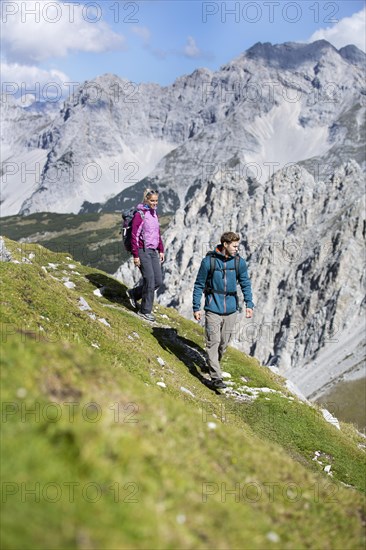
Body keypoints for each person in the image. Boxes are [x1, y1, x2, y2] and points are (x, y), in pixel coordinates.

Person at [192, 231, 254, 389]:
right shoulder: (209, 262)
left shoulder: (239, 263)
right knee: (213, 342)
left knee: (223, 344)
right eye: (234, 246)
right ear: (225, 244)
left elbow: (245, 283)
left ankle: (213, 364)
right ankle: (216, 378)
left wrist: (249, 304)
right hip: (212, 308)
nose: (236, 249)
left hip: (232, 310)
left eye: (237, 246)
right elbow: (199, 285)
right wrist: (196, 307)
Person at [126, 189, 164, 322]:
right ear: (146, 200)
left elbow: (157, 233)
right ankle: (144, 311)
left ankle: (134, 293)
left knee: (158, 280)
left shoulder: (154, 214)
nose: (154, 203)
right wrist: (135, 255)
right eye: (152, 200)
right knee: (149, 279)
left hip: (153, 251)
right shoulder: (140, 214)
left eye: (156, 200)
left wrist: (161, 249)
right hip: (142, 250)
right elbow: (134, 236)